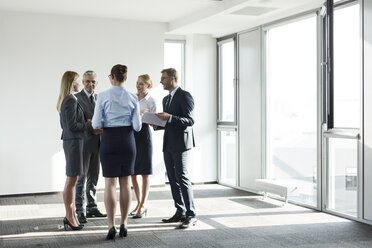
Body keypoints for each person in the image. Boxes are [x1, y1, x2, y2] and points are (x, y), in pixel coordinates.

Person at [92, 64, 141, 240]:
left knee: (110, 184)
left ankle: (111, 225)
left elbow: (96, 124)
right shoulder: (132, 97)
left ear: (111, 76)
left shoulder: (103, 96)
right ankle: (124, 224)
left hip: (110, 140)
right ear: (125, 78)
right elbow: (137, 126)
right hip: (127, 140)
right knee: (125, 183)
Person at [57, 71, 99, 231]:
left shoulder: (68, 99)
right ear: (71, 82)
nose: (79, 84)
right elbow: (72, 126)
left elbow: (70, 124)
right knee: (71, 182)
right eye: (77, 81)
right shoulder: (70, 99)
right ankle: (70, 216)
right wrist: (89, 124)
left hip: (74, 143)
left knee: (72, 181)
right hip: (74, 144)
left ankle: (72, 215)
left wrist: (85, 122)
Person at [156, 68, 197, 229]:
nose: (161, 81)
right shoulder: (166, 99)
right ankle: (180, 211)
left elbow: (190, 120)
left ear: (172, 79)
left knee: (183, 178)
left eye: (163, 78)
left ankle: (191, 214)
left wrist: (170, 117)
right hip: (168, 143)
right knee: (172, 178)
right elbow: (168, 123)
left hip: (181, 144)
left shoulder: (185, 95)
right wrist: (157, 124)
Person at [75, 70, 106, 224]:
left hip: (99, 142)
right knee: (81, 178)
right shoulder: (76, 99)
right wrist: (90, 125)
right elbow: (78, 122)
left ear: (96, 83)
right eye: (87, 81)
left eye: (93, 81)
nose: (90, 84)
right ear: (83, 82)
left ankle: (91, 207)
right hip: (84, 143)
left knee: (93, 177)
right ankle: (79, 210)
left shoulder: (99, 97)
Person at [130, 74, 157, 218]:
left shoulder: (152, 100)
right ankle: (139, 202)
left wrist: (143, 116)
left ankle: (144, 203)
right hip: (132, 134)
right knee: (133, 172)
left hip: (144, 135)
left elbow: (154, 120)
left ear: (148, 86)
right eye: (137, 83)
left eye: (141, 84)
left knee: (145, 171)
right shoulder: (132, 98)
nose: (138, 86)